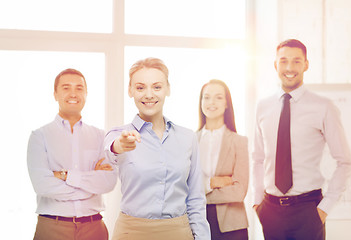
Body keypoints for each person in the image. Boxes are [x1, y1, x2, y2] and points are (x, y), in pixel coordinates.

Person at [252, 39, 351, 240]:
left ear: (306, 64)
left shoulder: (323, 107)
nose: (289, 68)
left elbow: (345, 162)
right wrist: (257, 203)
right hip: (270, 211)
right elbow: (257, 158)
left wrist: (324, 209)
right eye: (284, 61)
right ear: (275, 64)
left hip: (308, 211)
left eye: (297, 61)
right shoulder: (262, 107)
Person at [104, 57, 210, 240]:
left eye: (157, 87)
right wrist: (119, 146)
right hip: (132, 233)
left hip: (178, 232)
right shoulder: (119, 134)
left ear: (168, 89)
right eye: (140, 87)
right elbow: (109, 151)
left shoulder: (187, 138)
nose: (149, 94)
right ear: (130, 91)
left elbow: (196, 198)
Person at [27, 68, 117, 240]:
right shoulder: (40, 136)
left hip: (94, 229)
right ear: (55, 94)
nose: (73, 94)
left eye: (79, 88)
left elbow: (108, 182)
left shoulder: (100, 136)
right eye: (66, 88)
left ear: (86, 93)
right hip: (52, 228)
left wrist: (64, 175)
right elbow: (42, 185)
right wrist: (90, 186)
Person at [197, 79, 249, 240]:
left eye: (218, 97)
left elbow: (239, 192)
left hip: (232, 227)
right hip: (197, 223)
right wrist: (211, 183)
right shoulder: (189, 141)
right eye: (206, 97)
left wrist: (200, 194)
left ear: (227, 104)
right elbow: (183, 186)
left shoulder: (239, 141)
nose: (211, 102)